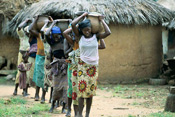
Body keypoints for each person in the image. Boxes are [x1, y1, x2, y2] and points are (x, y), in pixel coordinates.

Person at [71, 12, 111, 117]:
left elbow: (108, 32)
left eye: (88, 29)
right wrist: (82, 16)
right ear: (81, 30)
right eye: (85, 30)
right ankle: (79, 114)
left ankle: (87, 114)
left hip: (93, 67)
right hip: (82, 65)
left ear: (91, 28)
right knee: (81, 90)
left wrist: (101, 20)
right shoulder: (80, 37)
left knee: (90, 92)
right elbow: (73, 24)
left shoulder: (96, 36)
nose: (87, 31)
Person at [63, 26, 106, 117]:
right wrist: (77, 26)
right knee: (74, 91)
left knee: (84, 91)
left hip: (85, 67)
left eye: (75, 34)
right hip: (75, 68)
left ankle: (81, 113)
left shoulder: (87, 41)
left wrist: (97, 35)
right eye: (73, 34)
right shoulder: (75, 42)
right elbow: (65, 33)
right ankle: (76, 113)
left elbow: (102, 46)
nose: (74, 36)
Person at [44, 20, 68, 113]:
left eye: (57, 35)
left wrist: (70, 22)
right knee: (55, 87)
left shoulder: (65, 41)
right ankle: (53, 105)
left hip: (65, 66)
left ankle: (64, 107)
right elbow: (46, 34)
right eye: (54, 36)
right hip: (56, 67)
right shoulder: (52, 43)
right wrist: (54, 23)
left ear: (60, 35)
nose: (56, 37)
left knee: (65, 87)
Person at [29, 16, 47, 103]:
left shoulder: (49, 34)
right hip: (39, 56)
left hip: (47, 57)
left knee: (46, 77)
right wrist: (35, 20)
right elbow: (30, 29)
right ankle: (37, 94)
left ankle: (43, 96)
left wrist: (51, 21)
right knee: (38, 76)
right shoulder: (39, 35)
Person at [13, 19, 31, 96]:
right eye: (27, 31)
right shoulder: (22, 35)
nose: (28, 33)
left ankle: (25, 91)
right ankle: (15, 89)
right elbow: (19, 27)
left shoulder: (31, 39)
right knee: (20, 72)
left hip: (28, 56)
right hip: (22, 54)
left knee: (27, 73)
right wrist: (26, 21)